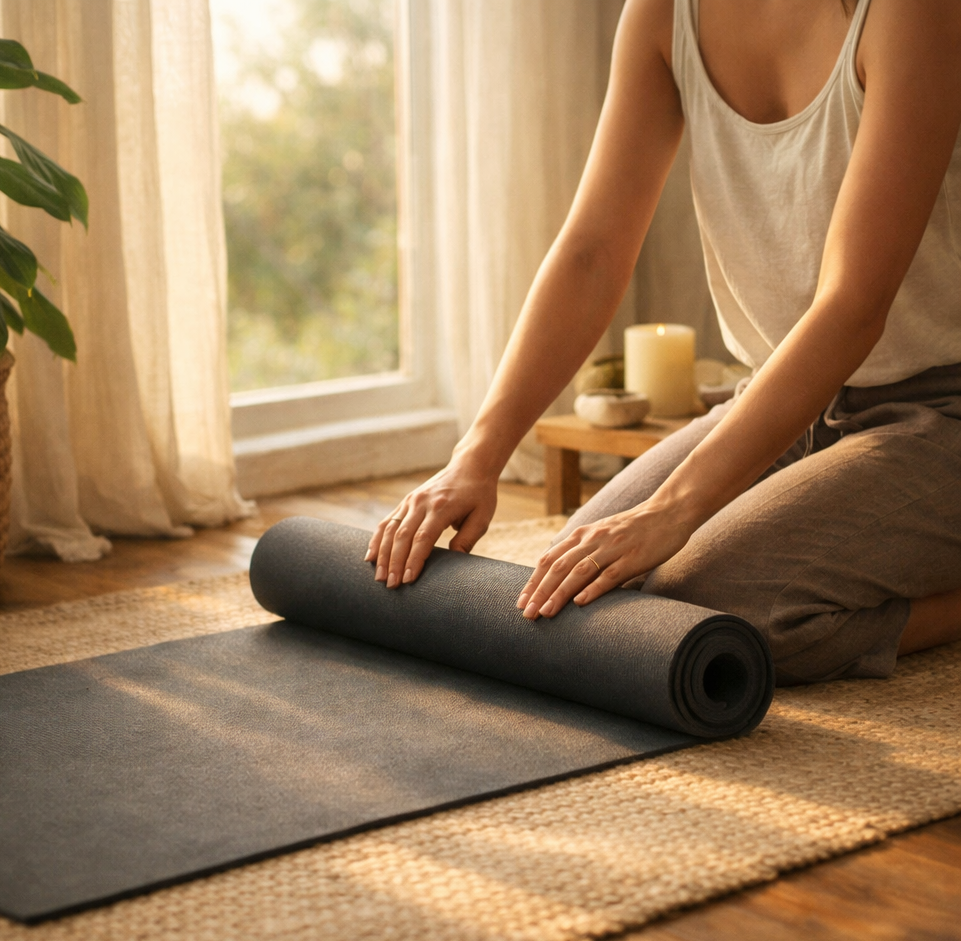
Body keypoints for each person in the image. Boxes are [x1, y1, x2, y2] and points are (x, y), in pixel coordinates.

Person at [366, 0, 961, 683]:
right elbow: (592, 252)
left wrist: (672, 510)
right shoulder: (662, 15)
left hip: (943, 410)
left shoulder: (913, 13)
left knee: (723, 609)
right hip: (785, 401)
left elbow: (853, 305)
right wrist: (476, 456)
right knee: (590, 585)